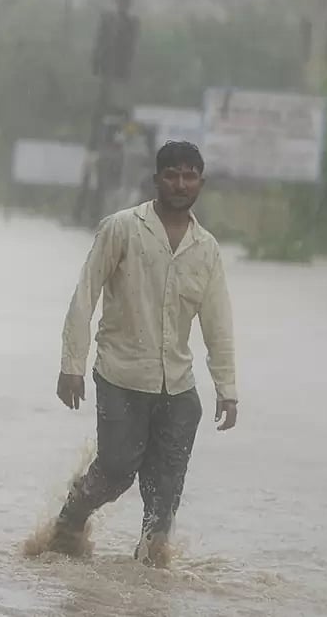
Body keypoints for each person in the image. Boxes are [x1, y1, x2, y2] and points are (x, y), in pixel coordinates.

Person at [48, 141, 238, 567]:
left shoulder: (205, 248)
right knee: (116, 469)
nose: (180, 183)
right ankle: (68, 523)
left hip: (178, 386)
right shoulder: (122, 228)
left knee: (165, 491)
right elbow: (86, 294)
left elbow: (218, 322)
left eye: (190, 175)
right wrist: (71, 365)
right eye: (172, 174)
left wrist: (227, 388)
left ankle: (149, 575)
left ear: (200, 184)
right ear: (156, 180)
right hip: (120, 375)